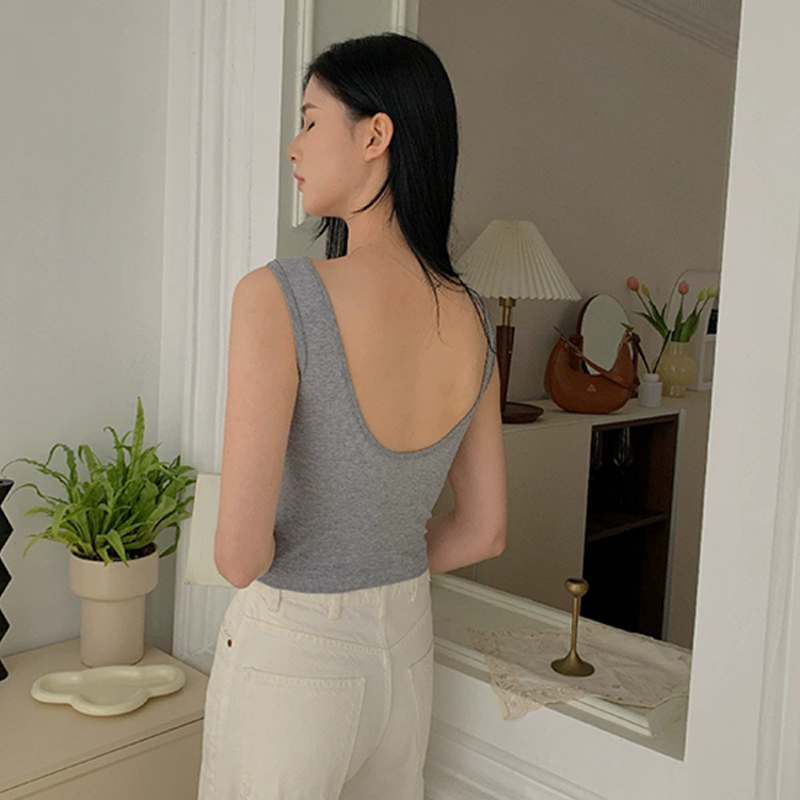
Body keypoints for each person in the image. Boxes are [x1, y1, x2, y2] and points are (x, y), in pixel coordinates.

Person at [198, 31, 507, 800]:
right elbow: (484, 531)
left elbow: (239, 557)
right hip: (406, 652)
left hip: (295, 664)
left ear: (375, 136)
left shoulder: (280, 297)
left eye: (310, 120)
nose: (294, 147)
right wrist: (376, 565)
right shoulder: (474, 318)